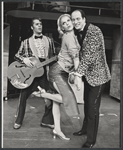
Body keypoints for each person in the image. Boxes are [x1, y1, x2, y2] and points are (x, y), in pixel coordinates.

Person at [34, 14, 83, 140]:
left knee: (57, 102)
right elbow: (75, 58)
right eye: (64, 23)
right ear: (62, 27)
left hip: (59, 71)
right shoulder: (69, 37)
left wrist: (72, 73)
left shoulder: (70, 35)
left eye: (68, 20)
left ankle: (57, 129)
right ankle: (43, 95)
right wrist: (78, 77)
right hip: (58, 73)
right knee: (68, 99)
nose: (67, 23)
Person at [71, 10, 111, 148]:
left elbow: (89, 55)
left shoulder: (94, 31)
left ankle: (91, 140)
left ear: (84, 18)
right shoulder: (76, 33)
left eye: (78, 19)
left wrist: (77, 74)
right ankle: (85, 129)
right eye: (73, 19)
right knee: (87, 105)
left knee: (92, 108)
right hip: (88, 76)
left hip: (98, 77)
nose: (75, 22)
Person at [13, 17, 56, 130]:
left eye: (40, 24)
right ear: (32, 27)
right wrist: (24, 60)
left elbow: (53, 56)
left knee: (49, 97)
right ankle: (18, 120)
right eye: (37, 24)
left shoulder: (49, 40)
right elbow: (17, 55)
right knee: (22, 97)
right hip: (30, 74)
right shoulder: (26, 42)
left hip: (45, 72)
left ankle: (47, 121)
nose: (39, 26)